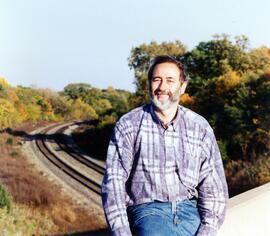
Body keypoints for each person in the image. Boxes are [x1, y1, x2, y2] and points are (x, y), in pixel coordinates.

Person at [101, 55, 228, 236]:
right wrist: (122, 232)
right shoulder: (129, 124)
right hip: (147, 212)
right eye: (156, 80)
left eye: (170, 80)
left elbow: (213, 187)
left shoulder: (199, 127)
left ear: (182, 86)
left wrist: (207, 230)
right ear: (149, 84)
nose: (162, 87)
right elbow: (113, 184)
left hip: (189, 212)